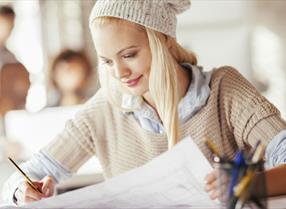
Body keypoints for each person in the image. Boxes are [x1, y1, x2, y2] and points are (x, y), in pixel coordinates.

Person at [3, 0, 286, 206]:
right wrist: (22, 191)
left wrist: (248, 183)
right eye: (107, 61)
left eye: (129, 55)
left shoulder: (224, 89)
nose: (119, 73)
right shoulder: (105, 108)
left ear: (164, 40)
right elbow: (24, 176)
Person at [0, 6, 30, 129]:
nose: (6, 30)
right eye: (3, 24)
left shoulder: (11, 58)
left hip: (9, 117)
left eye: (10, 25)